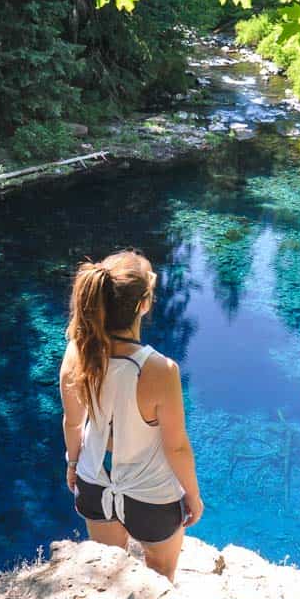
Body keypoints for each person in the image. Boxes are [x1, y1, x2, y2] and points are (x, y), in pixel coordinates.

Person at [59, 249, 204, 581]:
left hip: (93, 484)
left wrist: (72, 464)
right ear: (144, 304)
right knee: (160, 578)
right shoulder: (160, 370)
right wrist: (193, 497)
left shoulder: (76, 353)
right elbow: (177, 447)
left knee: (111, 580)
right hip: (152, 497)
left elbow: (71, 422)